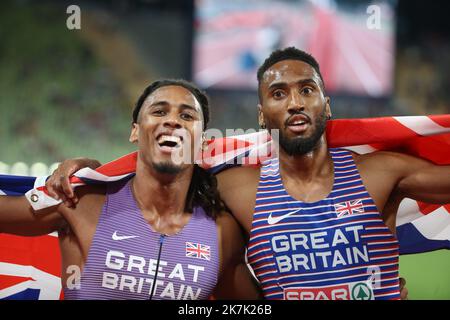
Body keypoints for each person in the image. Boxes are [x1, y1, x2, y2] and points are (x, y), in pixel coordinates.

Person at [47, 48, 423, 300]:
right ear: (262, 114)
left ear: (326, 103)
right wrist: (92, 172)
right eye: (279, 93)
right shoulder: (232, 185)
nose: (295, 102)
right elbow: (164, 167)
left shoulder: (381, 171)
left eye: (307, 90)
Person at [0, 79, 262, 300]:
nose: (172, 121)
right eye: (159, 112)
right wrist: (90, 176)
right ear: (135, 131)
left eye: (186, 115)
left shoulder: (221, 232)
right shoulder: (79, 201)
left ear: (203, 142)